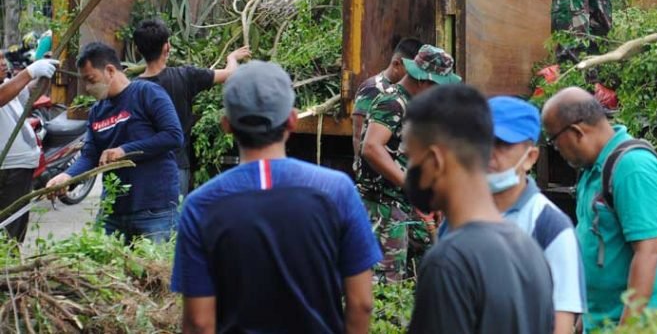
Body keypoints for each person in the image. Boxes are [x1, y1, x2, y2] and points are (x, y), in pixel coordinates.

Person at [172, 61, 380, 334]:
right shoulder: (337, 191)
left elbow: (199, 322)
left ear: (227, 126)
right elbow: (361, 303)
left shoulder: (201, 205)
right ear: (292, 120)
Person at [405, 85, 553, 333]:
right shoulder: (528, 249)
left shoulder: (449, 261)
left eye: (410, 156)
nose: (409, 168)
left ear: (435, 161)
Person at [438, 96, 585, 334]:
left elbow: (562, 322)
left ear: (530, 157)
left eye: (502, 144)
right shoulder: (456, 218)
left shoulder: (550, 226)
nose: (489, 154)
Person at [541, 87, 657, 330]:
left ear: (576, 131)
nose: (555, 149)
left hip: (640, 324)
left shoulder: (632, 167)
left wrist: (627, 327)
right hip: (602, 319)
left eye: (553, 140)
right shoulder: (593, 169)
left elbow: (648, 252)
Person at [46, 42, 183, 242]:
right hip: (113, 210)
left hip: (155, 209)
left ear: (110, 70)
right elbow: (90, 155)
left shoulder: (147, 93)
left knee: (154, 271)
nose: (88, 87)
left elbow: (173, 136)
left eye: (91, 79)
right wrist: (67, 176)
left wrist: (124, 150)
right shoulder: (97, 112)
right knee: (99, 268)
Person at [359, 44, 461, 282]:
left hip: (403, 206)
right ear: (424, 81)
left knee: (422, 269)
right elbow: (372, 147)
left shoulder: (414, 107)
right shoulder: (393, 102)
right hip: (382, 207)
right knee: (386, 283)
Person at [132, 18, 251, 196]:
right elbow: (230, 74)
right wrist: (231, 58)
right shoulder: (185, 76)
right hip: (175, 166)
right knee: (174, 218)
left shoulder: (131, 89)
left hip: (141, 169)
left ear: (137, 49)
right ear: (167, 47)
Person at [0, 58, 58, 241]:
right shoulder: (4, 91)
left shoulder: (8, 86)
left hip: (19, 167)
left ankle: (10, 263)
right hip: (7, 169)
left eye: (2, 58)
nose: (3, 63)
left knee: (15, 226)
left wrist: (44, 75)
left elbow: (30, 91)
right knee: (9, 229)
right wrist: (29, 72)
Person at [351, 36, 423, 169]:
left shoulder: (405, 91)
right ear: (397, 64)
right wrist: (362, 169)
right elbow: (359, 135)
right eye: (411, 70)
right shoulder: (372, 89)